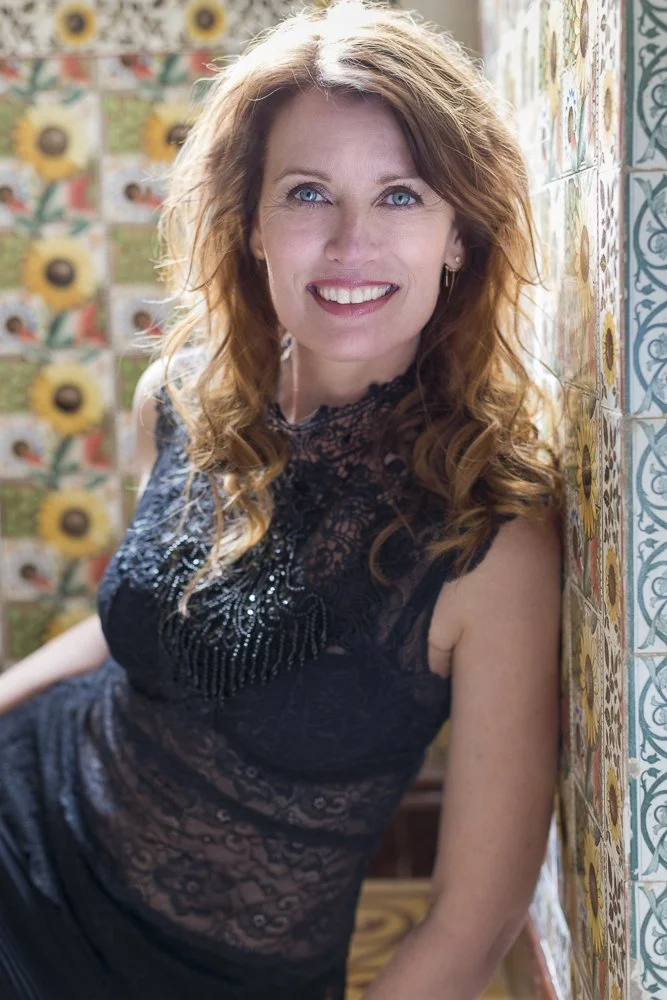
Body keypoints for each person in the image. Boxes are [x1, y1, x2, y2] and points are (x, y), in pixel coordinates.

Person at [0, 2, 564, 998]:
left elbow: (469, 932)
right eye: (308, 194)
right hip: (30, 822)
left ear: (458, 238)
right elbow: (151, 627)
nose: (351, 242)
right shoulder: (178, 401)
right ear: (252, 227)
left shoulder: (489, 547)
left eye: (400, 196)